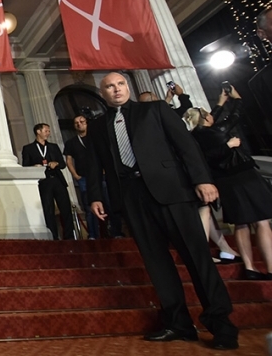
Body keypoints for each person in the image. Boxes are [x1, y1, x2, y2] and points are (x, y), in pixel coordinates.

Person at [86, 72, 238, 350]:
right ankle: (178, 324)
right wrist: (96, 197)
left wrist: (202, 179)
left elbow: (186, 145)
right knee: (157, 264)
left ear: (128, 88)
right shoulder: (97, 126)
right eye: (110, 86)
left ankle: (221, 324)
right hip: (132, 199)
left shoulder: (154, 109)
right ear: (103, 92)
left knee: (197, 257)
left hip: (172, 193)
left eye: (120, 84)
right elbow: (95, 166)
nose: (116, 89)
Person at [184, 86, 272, 280]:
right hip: (244, 177)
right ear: (205, 119)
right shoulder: (218, 132)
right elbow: (235, 116)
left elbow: (209, 120)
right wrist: (237, 98)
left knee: (241, 224)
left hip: (225, 183)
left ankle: (249, 268)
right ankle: (271, 267)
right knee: (262, 222)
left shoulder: (192, 138)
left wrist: (220, 103)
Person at [143, 83, 239, 262]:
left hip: (178, 173)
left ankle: (225, 249)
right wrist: (180, 96)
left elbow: (200, 116)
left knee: (205, 211)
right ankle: (200, 253)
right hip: (183, 173)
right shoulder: (163, 120)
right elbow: (188, 111)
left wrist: (170, 99)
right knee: (202, 210)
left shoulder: (147, 124)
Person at [21, 123, 74, 240]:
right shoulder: (28, 148)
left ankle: (69, 236)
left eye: (49, 131)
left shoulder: (54, 147)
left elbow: (63, 163)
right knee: (48, 209)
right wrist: (34, 166)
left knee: (65, 208)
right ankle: (53, 237)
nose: (48, 133)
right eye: (46, 131)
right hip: (43, 182)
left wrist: (56, 163)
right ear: (38, 132)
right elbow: (25, 166)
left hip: (57, 180)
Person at [64, 114, 112, 239]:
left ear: (87, 122)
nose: (79, 124)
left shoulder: (96, 138)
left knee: (108, 203)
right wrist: (75, 175)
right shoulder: (71, 142)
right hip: (84, 178)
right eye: (76, 123)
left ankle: (114, 232)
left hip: (101, 176)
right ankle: (92, 234)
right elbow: (68, 160)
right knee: (88, 206)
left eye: (82, 121)